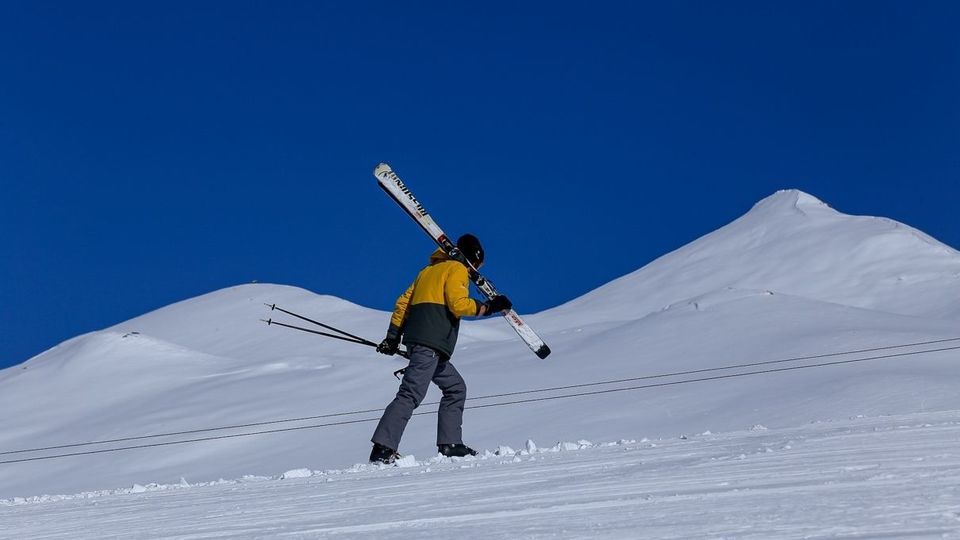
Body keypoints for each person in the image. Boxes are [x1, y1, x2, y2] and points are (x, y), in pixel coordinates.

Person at [369, 233, 512, 464]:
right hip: (430, 343)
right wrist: (489, 307)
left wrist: (392, 337)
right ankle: (383, 448)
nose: (475, 271)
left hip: (424, 344)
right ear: (473, 259)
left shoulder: (426, 272)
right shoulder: (457, 269)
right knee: (410, 393)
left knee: (456, 388)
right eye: (477, 265)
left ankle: (450, 444)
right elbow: (458, 305)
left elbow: (403, 302)